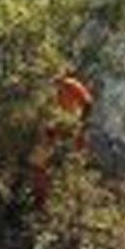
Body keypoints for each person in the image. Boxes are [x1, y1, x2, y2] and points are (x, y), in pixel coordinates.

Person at [27, 68, 94, 211]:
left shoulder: (69, 84)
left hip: (65, 130)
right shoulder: (49, 89)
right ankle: (41, 197)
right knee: (39, 163)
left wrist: (78, 125)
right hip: (53, 131)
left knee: (42, 163)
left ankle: (46, 199)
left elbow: (87, 103)